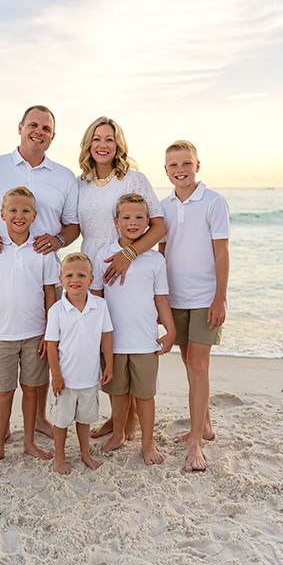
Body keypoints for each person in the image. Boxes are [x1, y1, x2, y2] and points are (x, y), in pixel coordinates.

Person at [0, 105, 79, 442]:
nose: (38, 132)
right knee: (8, 369)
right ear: (21, 127)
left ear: (53, 137)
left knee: (37, 360)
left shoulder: (64, 176)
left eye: (46, 128)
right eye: (33, 125)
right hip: (4, 262)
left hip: (42, 270)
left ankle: (37, 422)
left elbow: (72, 227)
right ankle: (7, 432)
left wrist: (56, 240)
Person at [77, 116, 166, 440]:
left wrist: (129, 255)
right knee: (106, 345)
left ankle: (129, 423)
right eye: (97, 139)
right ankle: (117, 419)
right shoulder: (81, 182)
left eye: (109, 139)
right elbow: (75, 226)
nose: (103, 145)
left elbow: (158, 226)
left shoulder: (133, 179)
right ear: (89, 144)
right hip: (95, 270)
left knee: (130, 341)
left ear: (118, 145)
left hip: (128, 266)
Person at [0, 187, 59, 472]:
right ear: (1, 214)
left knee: (32, 389)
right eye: (13, 210)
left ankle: (29, 442)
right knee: (3, 392)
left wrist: (50, 333)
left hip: (35, 334)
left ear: (34, 216)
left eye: (25, 211)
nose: (18, 216)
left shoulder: (42, 250)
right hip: (1, 335)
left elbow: (50, 294)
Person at [158, 140, 230, 472]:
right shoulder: (164, 206)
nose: (180, 170)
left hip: (204, 299)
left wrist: (219, 298)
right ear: (166, 170)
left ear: (197, 166)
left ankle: (196, 442)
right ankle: (206, 426)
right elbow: (160, 253)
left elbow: (221, 252)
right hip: (175, 298)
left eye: (186, 163)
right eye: (173, 165)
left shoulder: (214, 202)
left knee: (198, 367)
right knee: (189, 362)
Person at [91, 194, 176, 465]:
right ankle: (117, 433)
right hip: (113, 341)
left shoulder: (154, 260)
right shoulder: (103, 254)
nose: (133, 222)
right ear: (116, 221)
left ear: (148, 222)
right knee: (117, 392)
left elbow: (161, 298)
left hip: (144, 341)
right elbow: (97, 297)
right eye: (126, 217)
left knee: (144, 394)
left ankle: (147, 442)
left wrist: (171, 332)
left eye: (139, 217)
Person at [45, 253, 113, 475]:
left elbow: (106, 336)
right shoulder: (56, 310)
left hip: (89, 378)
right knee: (61, 421)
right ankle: (60, 457)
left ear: (91, 280)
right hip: (64, 380)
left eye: (81, 275)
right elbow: (51, 345)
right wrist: (56, 375)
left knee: (84, 420)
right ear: (61, 280)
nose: (75, 279)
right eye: (69, 275)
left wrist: (109, 365)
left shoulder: (100, 305)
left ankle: (85, 454)